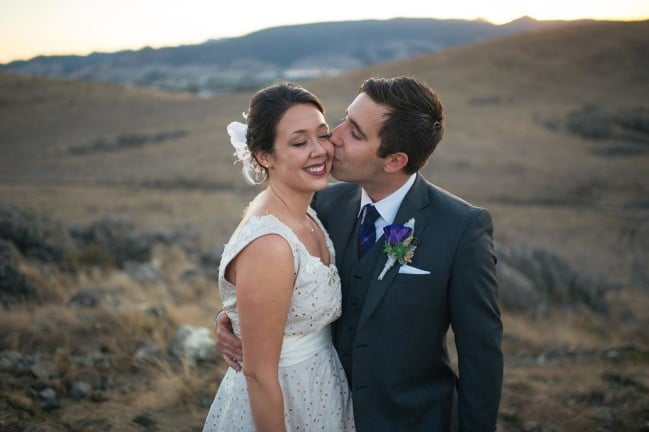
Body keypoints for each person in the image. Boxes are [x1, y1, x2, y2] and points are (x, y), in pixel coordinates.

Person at [216, 76, 503, 431]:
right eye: (344, 119)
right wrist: (235, 318)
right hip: (317, 412)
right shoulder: (323, 204)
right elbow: (280, 279)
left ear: (394, 160)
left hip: (413, 421)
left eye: (354, 132)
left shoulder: (461, 229)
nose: (332, 138)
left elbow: (481, 357)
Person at [202, 82, 355, 431]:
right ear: (264, 156)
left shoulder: (309, 211)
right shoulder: (270, 244)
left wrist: (230, 317)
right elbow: (257, 375)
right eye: (299, 142)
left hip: (320, 389)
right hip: (280, 401)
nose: (319, 151)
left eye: (322, 135)